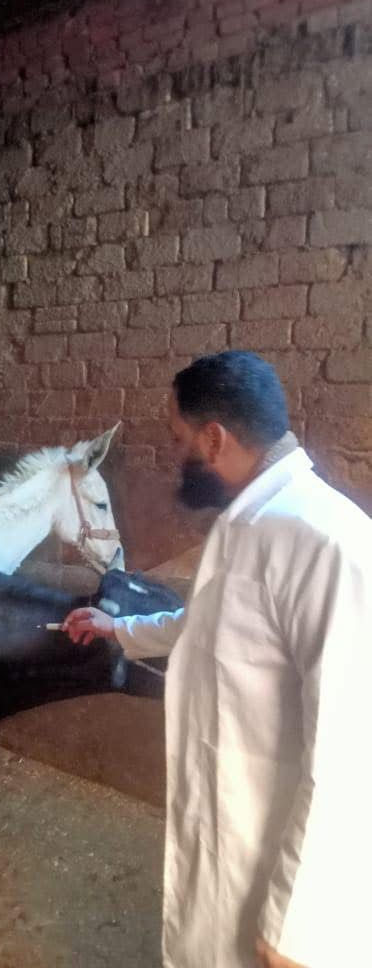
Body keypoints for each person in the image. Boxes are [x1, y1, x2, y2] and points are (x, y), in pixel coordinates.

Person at [62, 350, 371, 968]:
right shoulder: (247, 521)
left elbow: (351, 744)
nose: (175, 454)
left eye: (179, 439)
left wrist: (296, 922)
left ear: (214, 439)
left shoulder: (325, 540)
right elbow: (209, 625)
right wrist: (118, 628)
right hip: (228, 819)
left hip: (279, 858)